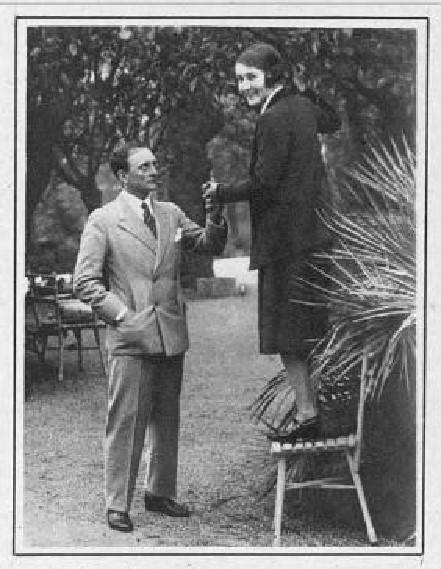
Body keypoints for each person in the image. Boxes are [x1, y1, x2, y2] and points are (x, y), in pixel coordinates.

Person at [73, 142, 227, 532]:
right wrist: (122, 316)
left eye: (155, 164)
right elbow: (84, 282)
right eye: (143, 167)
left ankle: (159, 492)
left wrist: (214, 213)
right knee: (126, 419)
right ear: (122, 176)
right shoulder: (103, 220)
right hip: (131, 335)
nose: (153, 171)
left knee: (166, 417)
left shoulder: (171, 213)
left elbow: (208, 244)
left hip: (170, 332)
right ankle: (117, 504)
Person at [203, 43, 340, 442]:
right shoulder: (302, 107)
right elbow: (333, 121)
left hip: (286, 243)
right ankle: (317, 411)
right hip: (314, 237)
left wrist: (221, 192)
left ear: (271, 76)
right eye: (240, 79)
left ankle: (308, 414)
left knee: (287, 336)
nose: (244, 86)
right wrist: (302, 87)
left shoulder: (273, 117)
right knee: (309, 330)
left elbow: (264, 183)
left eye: (251, 77)